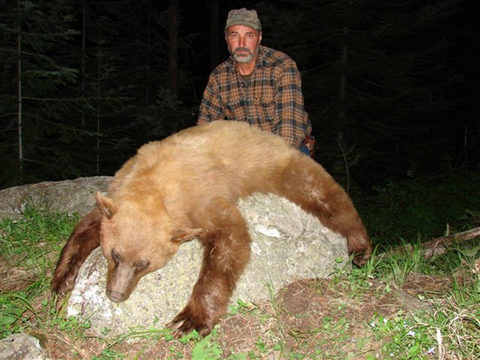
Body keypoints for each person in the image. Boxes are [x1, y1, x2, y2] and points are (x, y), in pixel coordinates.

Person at [197, 8, 316, 157]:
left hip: (289, 151)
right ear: (226, 38)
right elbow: (205, 129)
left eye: (249, 35)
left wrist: (267, 171)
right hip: (247, 154)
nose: (241, 43)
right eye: (234, 35)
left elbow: (289, 132)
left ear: (259, 37)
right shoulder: (218, 77)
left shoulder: (281, 67)